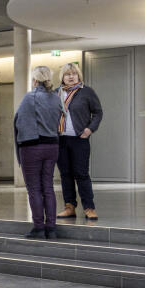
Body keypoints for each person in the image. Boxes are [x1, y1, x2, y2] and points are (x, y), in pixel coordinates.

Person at [14, 65, 65, 239]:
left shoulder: (30, 97)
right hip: (52, 147)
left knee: (34, 188)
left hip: (32, 147)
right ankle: (51, 228)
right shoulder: (56, 98)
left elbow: (19, 122)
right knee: (48, 187)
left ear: (34, 80)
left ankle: (38, 227)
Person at [56, 62, 102, 221]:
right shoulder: (56, 93)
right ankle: (69, 207)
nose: (71, 77)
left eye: (74, 74)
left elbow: (98, 112)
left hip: (79, 140)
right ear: (62, 77)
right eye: (67, 74)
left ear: (78, 76)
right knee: (65, 174)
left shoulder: (86, 92)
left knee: (81, 174)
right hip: (60, 140)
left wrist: (90, 130)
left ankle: (89, 208)